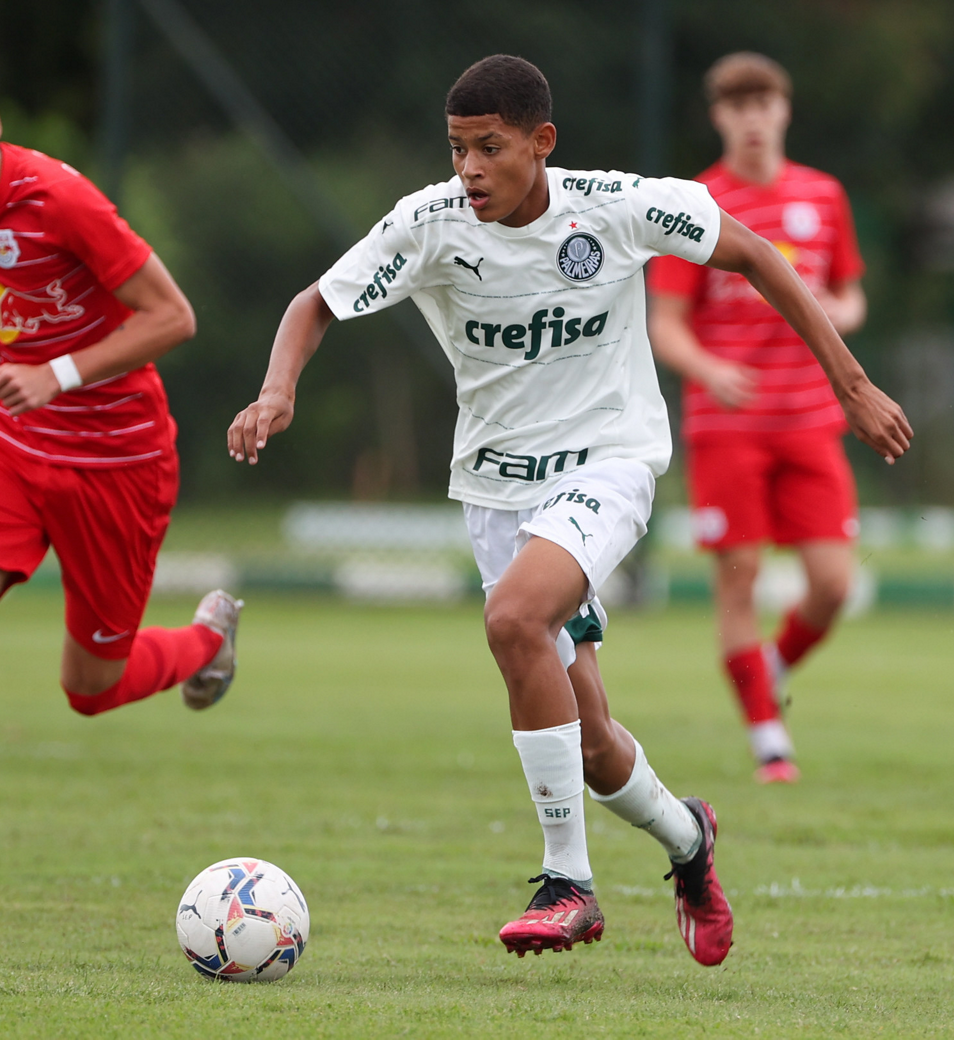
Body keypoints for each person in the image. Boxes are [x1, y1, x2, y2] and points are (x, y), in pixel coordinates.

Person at [229, 55, 910, 962]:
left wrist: (852, 386)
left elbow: (753, 254)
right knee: (591, 744)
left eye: (490, 148)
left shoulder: (618, 207)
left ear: (541, 142)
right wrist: (277, 391)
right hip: (495, 490)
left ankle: (568, 884)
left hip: (608, 464)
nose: (469, 169)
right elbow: (313, 303)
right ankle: (690, 839)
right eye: (457, 149)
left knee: (514, 619)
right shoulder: (429, 224)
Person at [0, 47, 242, 912]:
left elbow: (173, 317)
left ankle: (204, 643)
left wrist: (58, 374)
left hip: (119, 461)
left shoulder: (63, 200)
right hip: (15, 447)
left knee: (91, 689)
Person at [647, 53, 870, 784]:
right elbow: (665, 322)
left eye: (763, 103)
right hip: (729, 426)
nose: (752, 118)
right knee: (738, 582)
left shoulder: (823, 195)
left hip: (810, 419)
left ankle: (768, 669)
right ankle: (769, 739)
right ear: (719, 116)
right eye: (737, 106)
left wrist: (838, 313)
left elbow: (851, 296)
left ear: (784, 110)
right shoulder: (696, 204)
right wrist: (710, 370)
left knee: (833, 585)